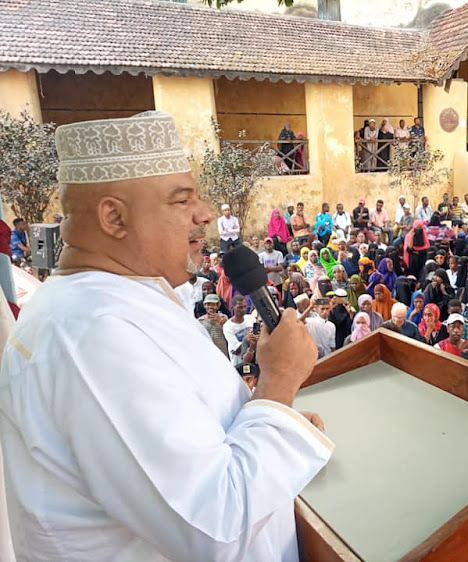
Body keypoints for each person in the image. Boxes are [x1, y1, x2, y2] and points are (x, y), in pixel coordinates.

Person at [0, 111, 332, 560]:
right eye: (181, 201)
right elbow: (213, 528)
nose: (206, 213)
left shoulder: (125, 299)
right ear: (114, 218)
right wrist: (278, 385)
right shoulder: (90, 334)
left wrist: (279, 422)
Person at [223, 295, 257, 367]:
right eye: (240, 307)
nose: (243, 309)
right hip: (238, 362)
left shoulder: (251, 318)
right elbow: (236, 350)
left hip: (253, 358)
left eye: (245, 306)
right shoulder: (228, 326)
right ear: (232, 308)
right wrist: (247, 339)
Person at [198, 293, 230, 358]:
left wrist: (220, 321)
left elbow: (228, 332)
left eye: (213, 304)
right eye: (208, 304)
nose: (210, 307)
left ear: (218, 306)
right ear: (204, 306)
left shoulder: (224, 317)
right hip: (207, 352)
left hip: (222, 352)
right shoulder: (200, 321)